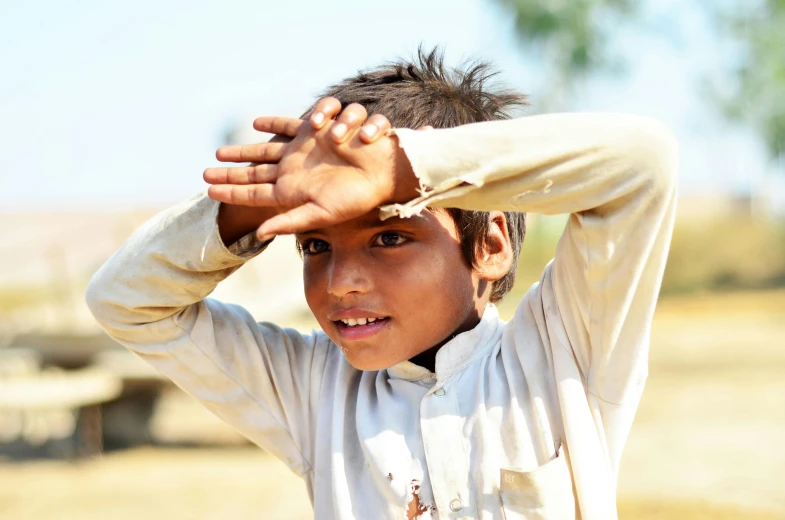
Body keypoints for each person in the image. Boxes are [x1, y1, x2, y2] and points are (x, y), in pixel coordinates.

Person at [86, 48, 678, 519]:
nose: (340, 282)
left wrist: (403, 168)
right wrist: (257, 201)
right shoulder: (316, 394)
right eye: (316, 245)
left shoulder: (562, 355)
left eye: (389, 237)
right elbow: (125, 301)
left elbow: (643, 162)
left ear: (490, 246)